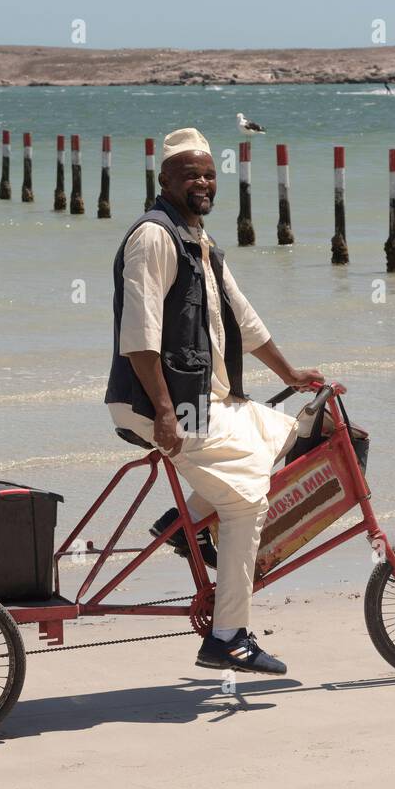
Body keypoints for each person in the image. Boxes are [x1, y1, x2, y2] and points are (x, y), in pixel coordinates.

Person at [105, 127, 323, 675]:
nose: (202, 182)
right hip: (159, 403)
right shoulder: (154, 237)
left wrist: (292, 374)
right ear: (165, 180)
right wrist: (161, 412)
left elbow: (245, 321)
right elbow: (141, 335)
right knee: (248, 501)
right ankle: (228, 636)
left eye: (209, 174)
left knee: (287, 432)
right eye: (191, 175)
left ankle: (182, 523)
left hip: (199, 400)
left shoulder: (198, 242)